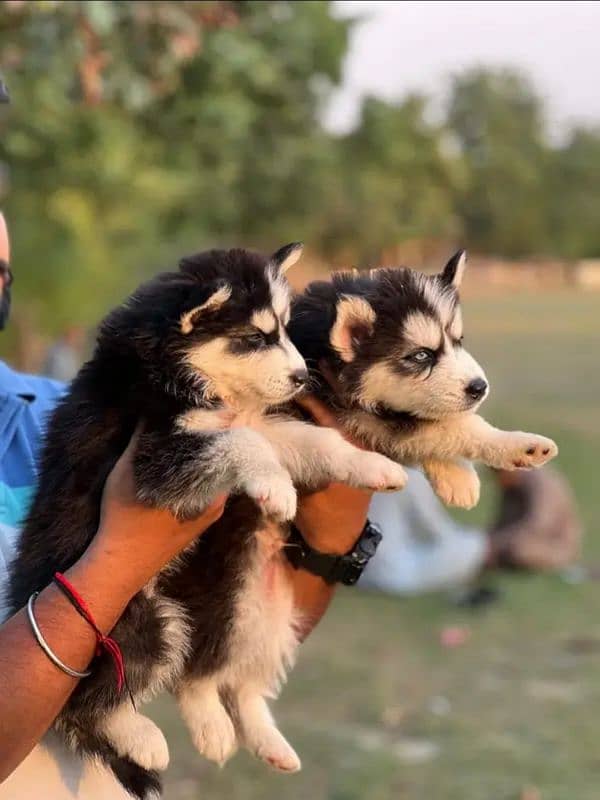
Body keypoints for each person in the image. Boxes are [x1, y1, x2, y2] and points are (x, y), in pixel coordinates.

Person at [0, 211, 375, 798]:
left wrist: (335, 540)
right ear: (193, 320)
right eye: (261, 340)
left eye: (2, 275)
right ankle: (102, 713)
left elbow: (228, 611)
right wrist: (117, 560)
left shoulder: (49, 412)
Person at [362, 465, 581, 595]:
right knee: (493, 546)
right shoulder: (514, 485)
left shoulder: (539, 485)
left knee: (517, 550)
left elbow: (537, 525)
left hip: (554, 544)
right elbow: (501, 521)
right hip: (386, 572)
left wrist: (495, 543)